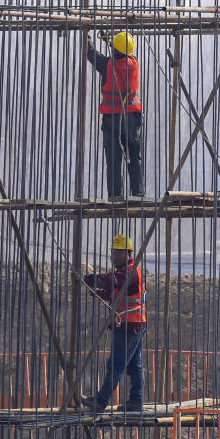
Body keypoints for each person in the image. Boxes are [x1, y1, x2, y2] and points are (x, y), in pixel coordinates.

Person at [81, 234, 146, 411]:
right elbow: (117, 292)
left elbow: (112, 281)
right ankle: (136, 401)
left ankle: (101, 401)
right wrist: (100, 293)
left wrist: (89, 279)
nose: (114, 256)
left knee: (116, 363)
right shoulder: (126, 273)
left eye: (118, 253)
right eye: (113, 252)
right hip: (133, 324)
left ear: (128, 253)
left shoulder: (130, 272)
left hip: (129, 325)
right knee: (134, 365)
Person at [87, 32, 144, 199]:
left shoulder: (107, 65)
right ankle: (138, 192)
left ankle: (115, 195)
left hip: (113, 118)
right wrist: (109, 41)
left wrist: (87, 37)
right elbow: (120, 53)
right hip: (133, 118)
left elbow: (91, 54)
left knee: (113, 158)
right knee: (135, 156)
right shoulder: (134, 63)